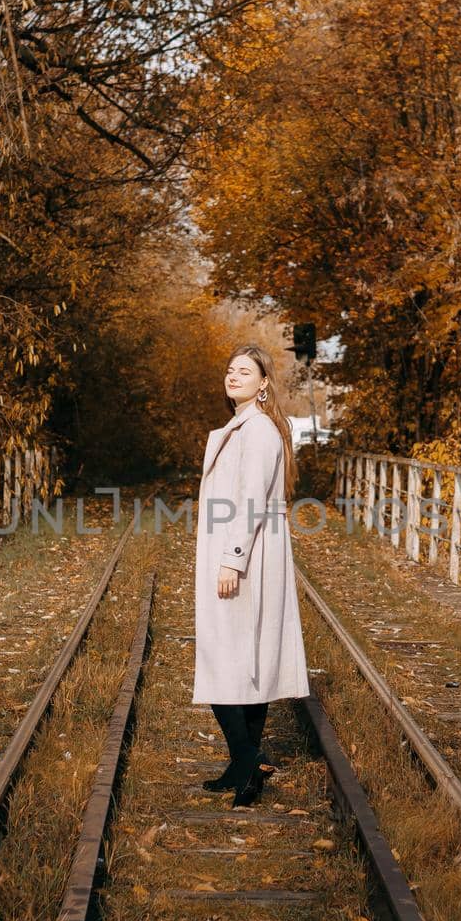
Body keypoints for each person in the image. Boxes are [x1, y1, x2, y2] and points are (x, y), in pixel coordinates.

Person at [192, 344, 311, 808]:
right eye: (229, 370)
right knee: (247, 660)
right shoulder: (244, 427)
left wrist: (232, 558)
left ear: (264, 383)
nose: (233, 375)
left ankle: (248, 759)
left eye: (245, 370)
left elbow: (253, 504)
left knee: (223, 657)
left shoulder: (258, 431)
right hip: (245, 553)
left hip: (244, 556)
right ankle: (242, 772)